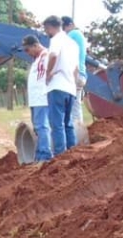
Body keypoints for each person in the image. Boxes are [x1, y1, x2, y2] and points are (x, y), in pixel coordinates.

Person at [43, 15, 80, 156]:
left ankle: (60, 156)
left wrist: (48, 72)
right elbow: (76, 69)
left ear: (50, 27)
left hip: (57, 86)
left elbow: (53, 56)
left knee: (57, 124)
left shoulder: (56, 39)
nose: (47, 33)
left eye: (47, 29)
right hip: (70, 87)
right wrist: (74, 85)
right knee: (68, 123)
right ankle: (73, 153)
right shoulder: (73, 44)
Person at [23, 34, 52, 162]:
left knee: (42, 126)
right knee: (37, 127)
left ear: (35, 45)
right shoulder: (37, 59)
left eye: (27, 50)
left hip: (42, 97)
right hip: (35, 99)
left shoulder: (46, 56)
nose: (27, 53)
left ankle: (45, 155)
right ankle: (40, 153)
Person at [62, 16, 88, 126]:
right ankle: (78, 131)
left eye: (64, 27)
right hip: (81, 74)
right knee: (76, 105)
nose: (64, 30)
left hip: (75, 74)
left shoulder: (73, 34)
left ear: (71, 24)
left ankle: (77, 134)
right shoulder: (79, 36)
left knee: (73, 107)